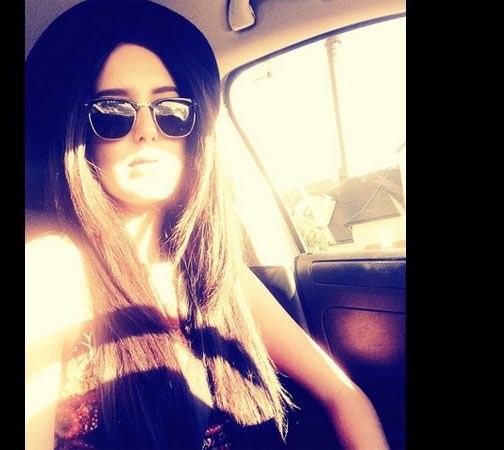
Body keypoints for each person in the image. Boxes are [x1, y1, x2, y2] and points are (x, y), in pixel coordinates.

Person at [25, 1, 390, 449]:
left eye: (171, 110)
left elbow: (342, 395)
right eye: (113, 110)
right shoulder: (50, 267)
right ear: (75, 130)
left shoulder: (213, 273)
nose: (147, 131)